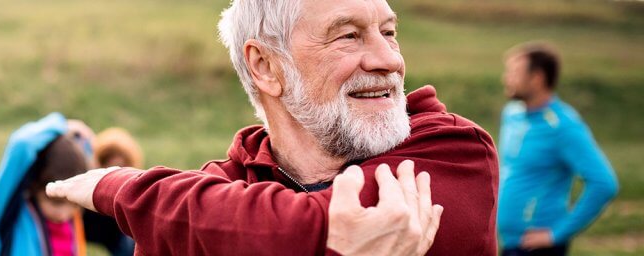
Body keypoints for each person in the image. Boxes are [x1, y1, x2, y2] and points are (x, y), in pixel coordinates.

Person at [46, 0, 501, 255]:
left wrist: (125, 189)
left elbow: (302, 227)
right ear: (265, 65)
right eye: (349, 35)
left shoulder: (453, 150)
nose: (388, 60)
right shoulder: (216, 190)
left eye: (388, 32)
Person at [497, 42, 619, 256]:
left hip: (539, 248)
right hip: (509, 242)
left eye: (514, 72)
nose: (506, 78)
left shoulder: (563, 126)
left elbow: (604, 183)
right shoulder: (512, 114)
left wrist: (557, 234)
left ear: (537, 78)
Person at [0, 113, 93, 256]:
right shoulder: (7, 214)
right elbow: (22, 144)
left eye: (74, 205)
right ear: (35, 187)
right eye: (55, 203)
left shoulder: (71, 222)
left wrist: (82, 140)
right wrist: (61, 125)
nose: (63, 214)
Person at [83, 128, 139, 256]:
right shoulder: (84, 181)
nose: (112, 175)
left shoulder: (128, 192)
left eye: (120, 169)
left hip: (112, 229)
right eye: (107, 167)